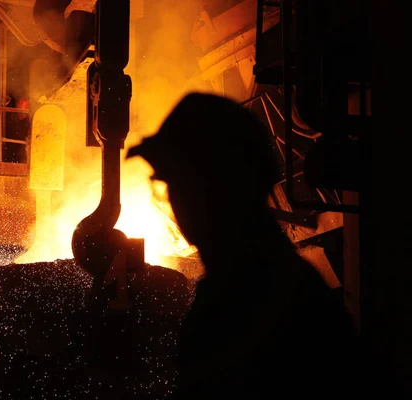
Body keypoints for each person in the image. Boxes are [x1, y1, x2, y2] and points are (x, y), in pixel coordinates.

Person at [126, 92, 367, 398]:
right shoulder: (279, 282)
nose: (171, 201)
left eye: (173, 184)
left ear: (206, 192)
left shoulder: (239, 307)